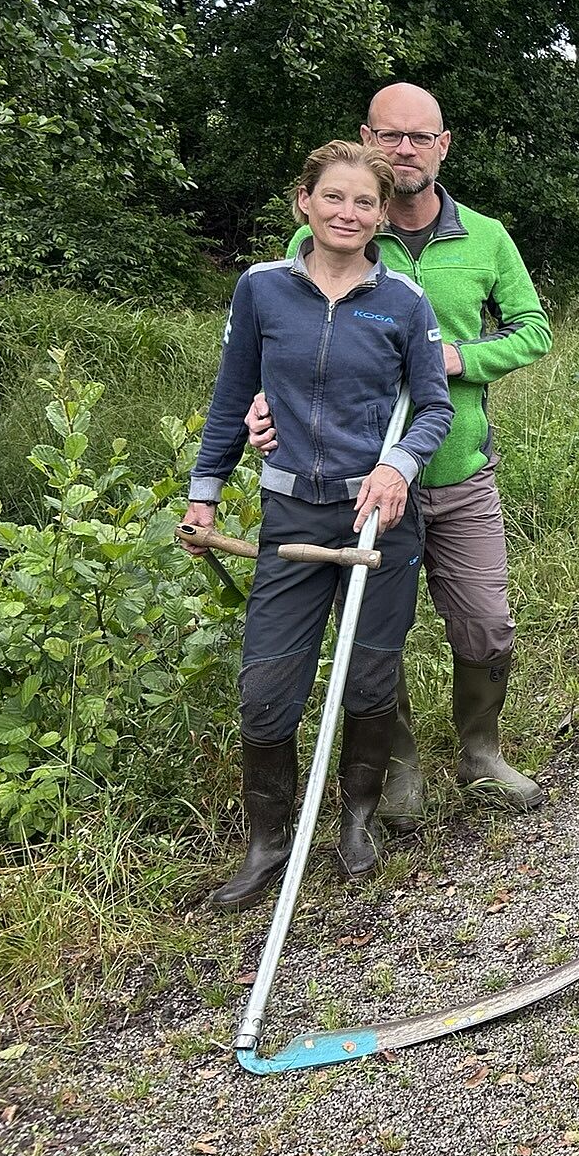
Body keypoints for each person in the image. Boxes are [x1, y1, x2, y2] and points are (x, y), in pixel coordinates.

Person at [247, 82, 553, 827]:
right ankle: (400, 763)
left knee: (484, 622)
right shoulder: (334, 227)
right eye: (391, 136)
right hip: (355, 482)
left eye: (420, 137)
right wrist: (264, 406)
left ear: (444, 145)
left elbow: (534, 330)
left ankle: (479, 753)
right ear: (368, 138)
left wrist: (458, 358)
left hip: (456, 468)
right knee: (372, 626)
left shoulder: (486, 237)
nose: (405, 150)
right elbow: (280, 336)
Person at [183, 140, 453, 908]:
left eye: (364, 202)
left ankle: (355, 822)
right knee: (267, 686)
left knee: (368, 678)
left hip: (379, 523)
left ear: (380, 216)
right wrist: (206, 490)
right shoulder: (263, 290)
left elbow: (432, 405)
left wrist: (397, 466)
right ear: (304, 201)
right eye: (333, 197)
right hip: (293, 512)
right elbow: (234, 393)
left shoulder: (402, 300)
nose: (348, 213)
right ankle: (268, 841)